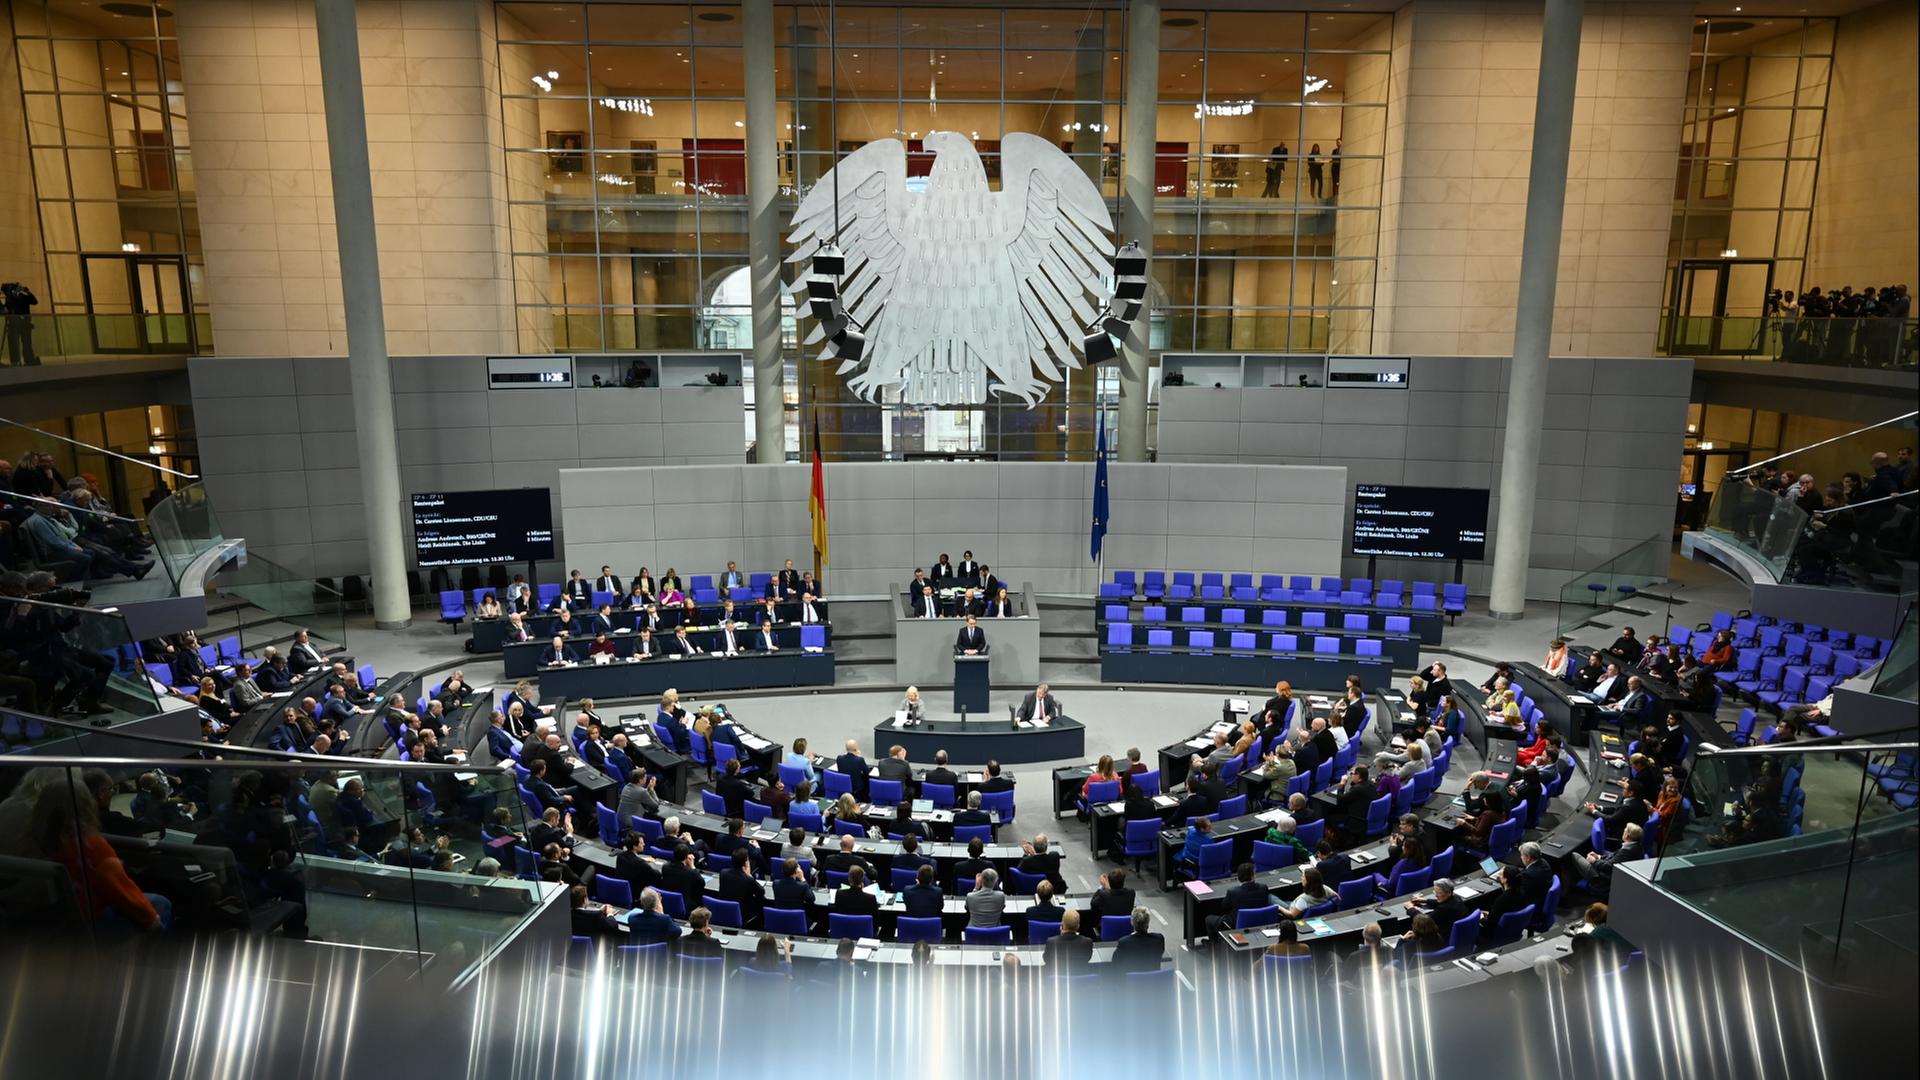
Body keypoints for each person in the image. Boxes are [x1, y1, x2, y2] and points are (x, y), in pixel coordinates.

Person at [33, 776, 167, 931]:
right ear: (86, 804)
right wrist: (153, 920)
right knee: (162, 903)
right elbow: (122, 893)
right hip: (99, 917)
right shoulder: (92, 845)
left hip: (68, 920)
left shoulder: (42, 840)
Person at [1572, 822, 1642, 897]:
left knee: (1574, 855)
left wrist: (1593, 861)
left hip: (1603, 877)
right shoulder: (1635, 846)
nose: (1623, 832)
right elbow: (1614, 858)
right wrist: (1598, 857)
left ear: (1627, 836)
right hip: (1609, 871)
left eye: (1624, 831)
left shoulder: (1627, 851)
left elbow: (1608, 867)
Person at [1209, 862, 1272, 938]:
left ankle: (1215, 946)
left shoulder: (1232, 892)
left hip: (1237, 924)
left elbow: (1223, 907)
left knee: (1209, 919)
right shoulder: (1264, 888)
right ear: (1253, 876)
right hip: (1260, 922)